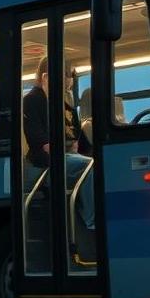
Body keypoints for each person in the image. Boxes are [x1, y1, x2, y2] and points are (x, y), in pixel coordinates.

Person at [23, 57, 95, 228]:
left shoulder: (63, 104)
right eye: (67, 75)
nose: (70, 81)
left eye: (71, 77)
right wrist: (69, 148)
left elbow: (80, 141)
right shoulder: (32, 100)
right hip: (45, 162)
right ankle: (92, 221)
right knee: (90, 165)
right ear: (46, 77)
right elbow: (41, 142)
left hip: (67, 157)